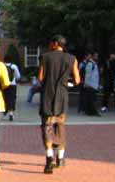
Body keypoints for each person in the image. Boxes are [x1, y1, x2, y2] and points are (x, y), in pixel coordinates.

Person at [38, 35, 81, 174]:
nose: (49, 45)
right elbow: (77, 80)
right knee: (60, 125)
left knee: (47, 126)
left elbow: (40, 78)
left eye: (51, 42)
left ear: (55, 43)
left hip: (47, 96)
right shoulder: (72, 59)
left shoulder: (45, 57)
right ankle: (61, 158)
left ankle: (49, 157)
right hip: (62, 96)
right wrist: (67, 84)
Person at [80, 52, 101, 116]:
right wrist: (86, 83)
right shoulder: (91, 64)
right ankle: (92, 112)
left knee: (90, 98)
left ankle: (89, 111)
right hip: (91, 84)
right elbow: (88, 75)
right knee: (92, 99)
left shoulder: (92, 64)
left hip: (92, 84)